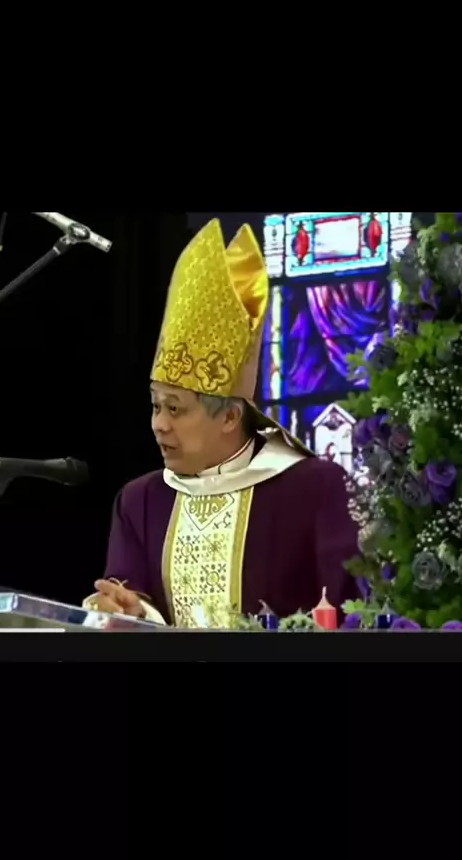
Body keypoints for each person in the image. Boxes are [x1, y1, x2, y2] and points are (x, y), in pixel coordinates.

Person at [84, 219, 359, 628]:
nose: (159, 424)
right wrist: (130, 612)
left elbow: (351, 613)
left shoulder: (315, 489)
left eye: (175, 409)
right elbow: (130, 604)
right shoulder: (140, 501)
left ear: (230, 416)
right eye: (156, 406)